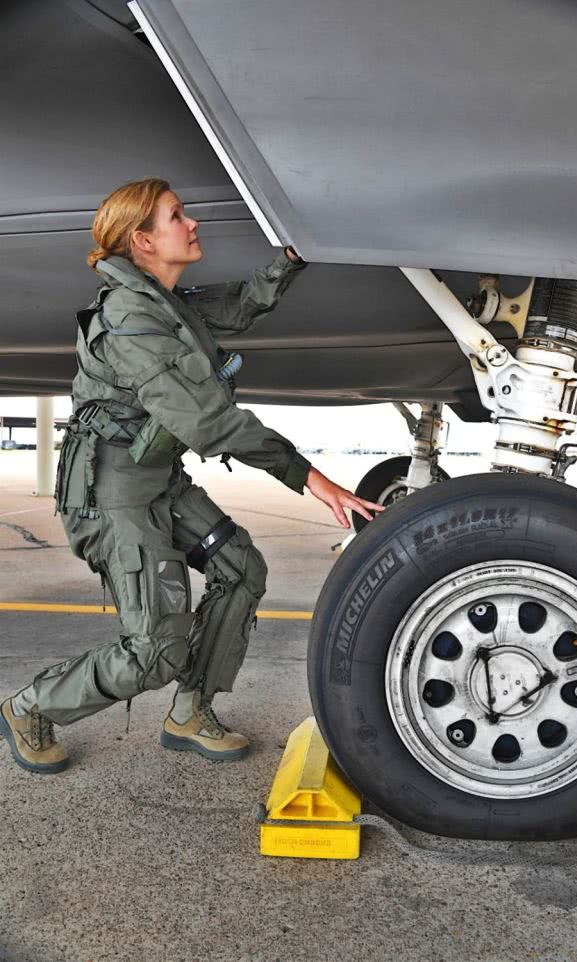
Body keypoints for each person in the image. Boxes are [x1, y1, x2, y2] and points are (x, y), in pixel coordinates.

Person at [0, 178, 384, 774]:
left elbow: (239, 306)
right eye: (177, 216)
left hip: (157, 477)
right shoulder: (131, 319)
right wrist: (311, 478)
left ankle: (191, 711)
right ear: (143, 240)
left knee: (241, 569)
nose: (193, 223)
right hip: (113, 494)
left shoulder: (165, 301)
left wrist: (290, 258)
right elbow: (208, 421)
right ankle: (30, 707)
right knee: (154, 650)